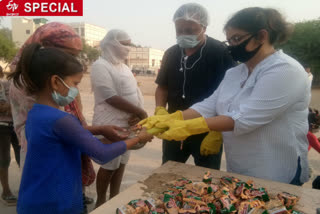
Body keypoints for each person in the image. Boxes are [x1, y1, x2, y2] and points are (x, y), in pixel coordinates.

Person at [142, 7, 310, 185]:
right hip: (240, 165)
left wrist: (190, 126)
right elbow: (209, 105)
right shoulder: (236, 73)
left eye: (237, 39)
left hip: (276, 167)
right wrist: (174, 117)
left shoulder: (285, 71)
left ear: (261, 36)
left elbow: (245, 118)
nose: (232, 46)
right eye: (229, 41)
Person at [11, 43, 153, 214]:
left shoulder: (37, 113)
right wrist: (138, 138)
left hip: (35, 199)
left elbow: (63, 136)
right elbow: (101, 153)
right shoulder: (61, 119)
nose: (76, 90)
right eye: (75, 83)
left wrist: (99, 130)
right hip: (55, 203)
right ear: (55, 81)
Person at [8, 22, 123, 209]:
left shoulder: (50, 95)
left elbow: (63, 127)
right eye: (68, 55)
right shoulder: (28, 83)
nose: (70, 62)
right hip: (45, 158)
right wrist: (136, 139)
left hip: (58, 149)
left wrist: (98, 130)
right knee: (57, 192)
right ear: (47, 50)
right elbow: (97, 151)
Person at [155, 3, 234, 169]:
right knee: (168, 172)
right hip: (174, 126)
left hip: (207, 128)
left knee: (207, 177)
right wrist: (160, 110)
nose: (184, 34)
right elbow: (162, 86)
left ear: (203, 28)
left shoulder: (220, 52)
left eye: (190, 31)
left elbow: (232, 92)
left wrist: (217, 132)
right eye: (179, 30)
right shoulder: (171, 53)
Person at [91, 29, 147, 208]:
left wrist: (137, 114)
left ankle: (114, 198)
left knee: (121, 163)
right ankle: (101, 202)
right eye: (124, 44)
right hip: (109, 123)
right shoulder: (100, 65)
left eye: (130, 44)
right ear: (111, 43)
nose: (128, 48)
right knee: (109, 165)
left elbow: (134, 92)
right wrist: (140, 112)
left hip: (128, 122)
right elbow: (110, 96)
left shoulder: (123, 66)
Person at [0, 66, 20, 206]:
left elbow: (18, 103)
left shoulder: (8, 84)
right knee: (4, 158)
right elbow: (3, 107)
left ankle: (27, 187)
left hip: (17, 124)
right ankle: (6, 191)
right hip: (2, 125)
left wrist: (10, 106)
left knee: (23, 155)